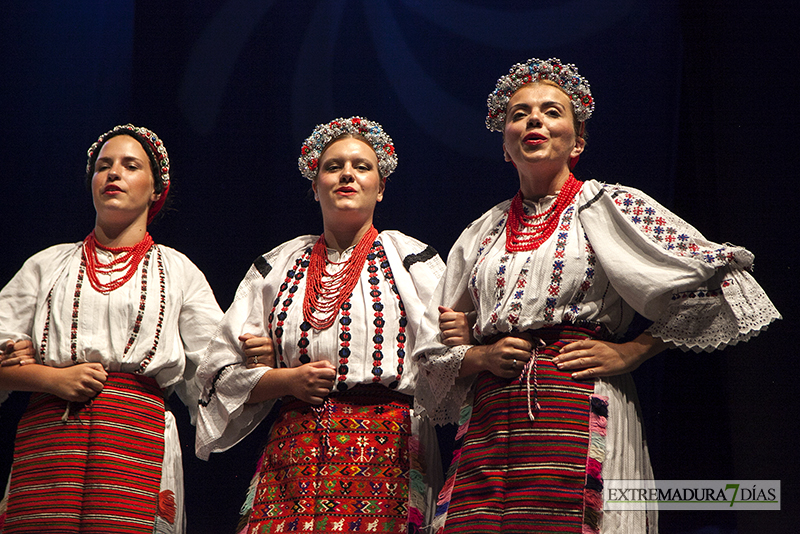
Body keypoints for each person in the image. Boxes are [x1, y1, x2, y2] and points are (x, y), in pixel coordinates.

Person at [412, 58, 781, 534]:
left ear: (578, 140)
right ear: (506, 144)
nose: (533, 121)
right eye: (519, 113)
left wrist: (632, 351)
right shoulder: (483, 231)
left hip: (578, 402)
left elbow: (720, 280)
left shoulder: (610, 206)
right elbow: (434, 349)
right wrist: (480, 354)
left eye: (551, 111)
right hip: (489, 419)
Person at [195, 117, 451, 534]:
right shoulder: (278, 265)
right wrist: (284, 380)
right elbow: (220, 371)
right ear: (315, 187)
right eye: (333, 167)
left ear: (381, 187)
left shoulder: (411, 260)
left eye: (362, 166)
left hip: (388, 444)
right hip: (293, 449)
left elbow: (450, 355)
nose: (347, 174)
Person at [0, 124, 243, 534]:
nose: (113, 174)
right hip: (50, 440)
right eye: (103, 166)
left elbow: (216, 366)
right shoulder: (48, 265)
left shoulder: (177, 270)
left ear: (156, 190)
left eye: (130, 166)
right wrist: (50, 378)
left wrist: (257, 359)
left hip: (135, 437)